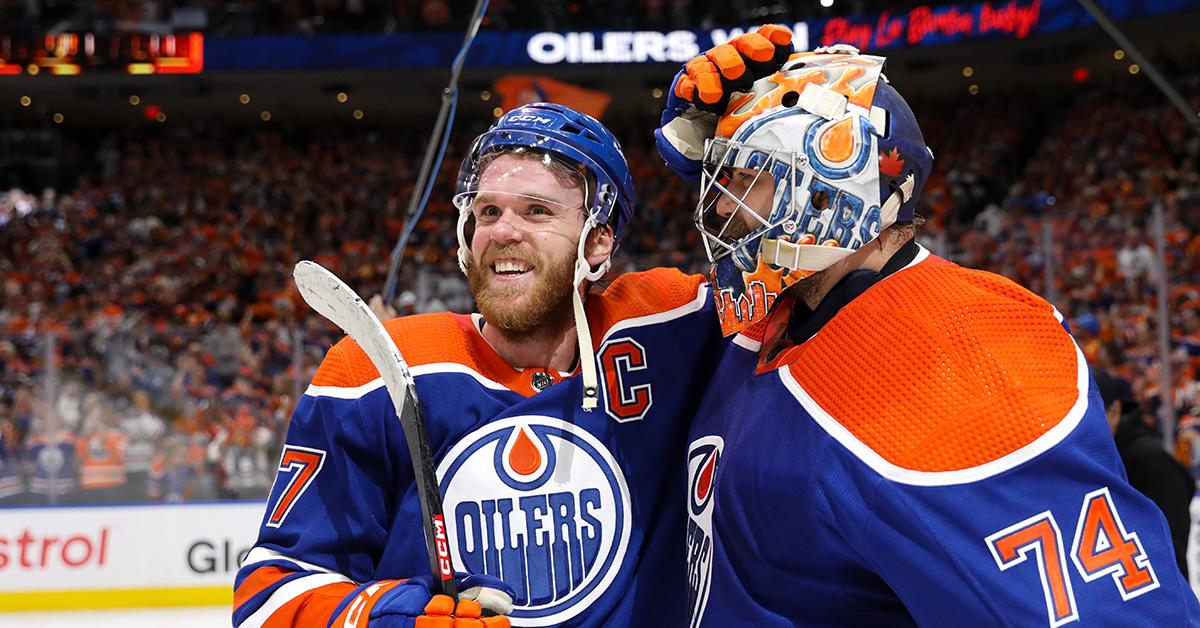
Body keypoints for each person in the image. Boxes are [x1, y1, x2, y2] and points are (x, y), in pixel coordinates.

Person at [655, 33, 1200, 625]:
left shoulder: (958, 353)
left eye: (745, 176)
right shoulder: (777, 319)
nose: (719, 206)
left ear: (831, 185)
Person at [233, 102, 733, 627]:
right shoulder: (375, 374)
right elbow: (270, 595)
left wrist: (737, 131)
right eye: (487, 211)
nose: (502, 231)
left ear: (600, 240)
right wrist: (393, 618)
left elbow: (797, 287)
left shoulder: (667, 326)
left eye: (537, 211)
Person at [1094, 368, 1194, 578]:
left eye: (1091, 416)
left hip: (1146, 596)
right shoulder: (1090, 459)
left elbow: (1171, 557)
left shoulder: (1150, 462)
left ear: (1114, 413)